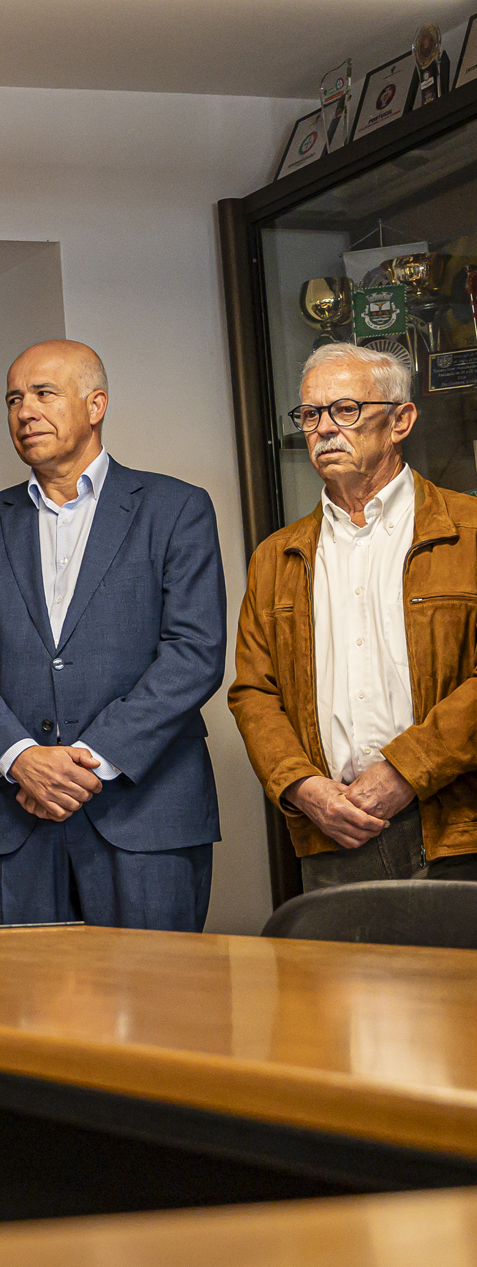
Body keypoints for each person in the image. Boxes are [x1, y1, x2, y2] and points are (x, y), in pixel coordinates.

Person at [0, 340, 227, 931]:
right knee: (17, 1013)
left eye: (44, 393)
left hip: (144, 816)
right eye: (14, 398)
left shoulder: (176, 509)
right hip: (12, 819)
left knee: (156, 1013)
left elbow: (194, 654)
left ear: (96, 405)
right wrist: (21, 759)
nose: (24, 411)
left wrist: (90, 763)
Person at [230, 344, 477, 888]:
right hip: (333, 832)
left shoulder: (469, 531)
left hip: (458, 828)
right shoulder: (276, 555)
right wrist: (301, 786)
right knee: (336, 977)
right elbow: (254, 691)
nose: (323, 429)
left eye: (345, 409)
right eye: (311, 414)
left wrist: (407, 771)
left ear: (400, 420)